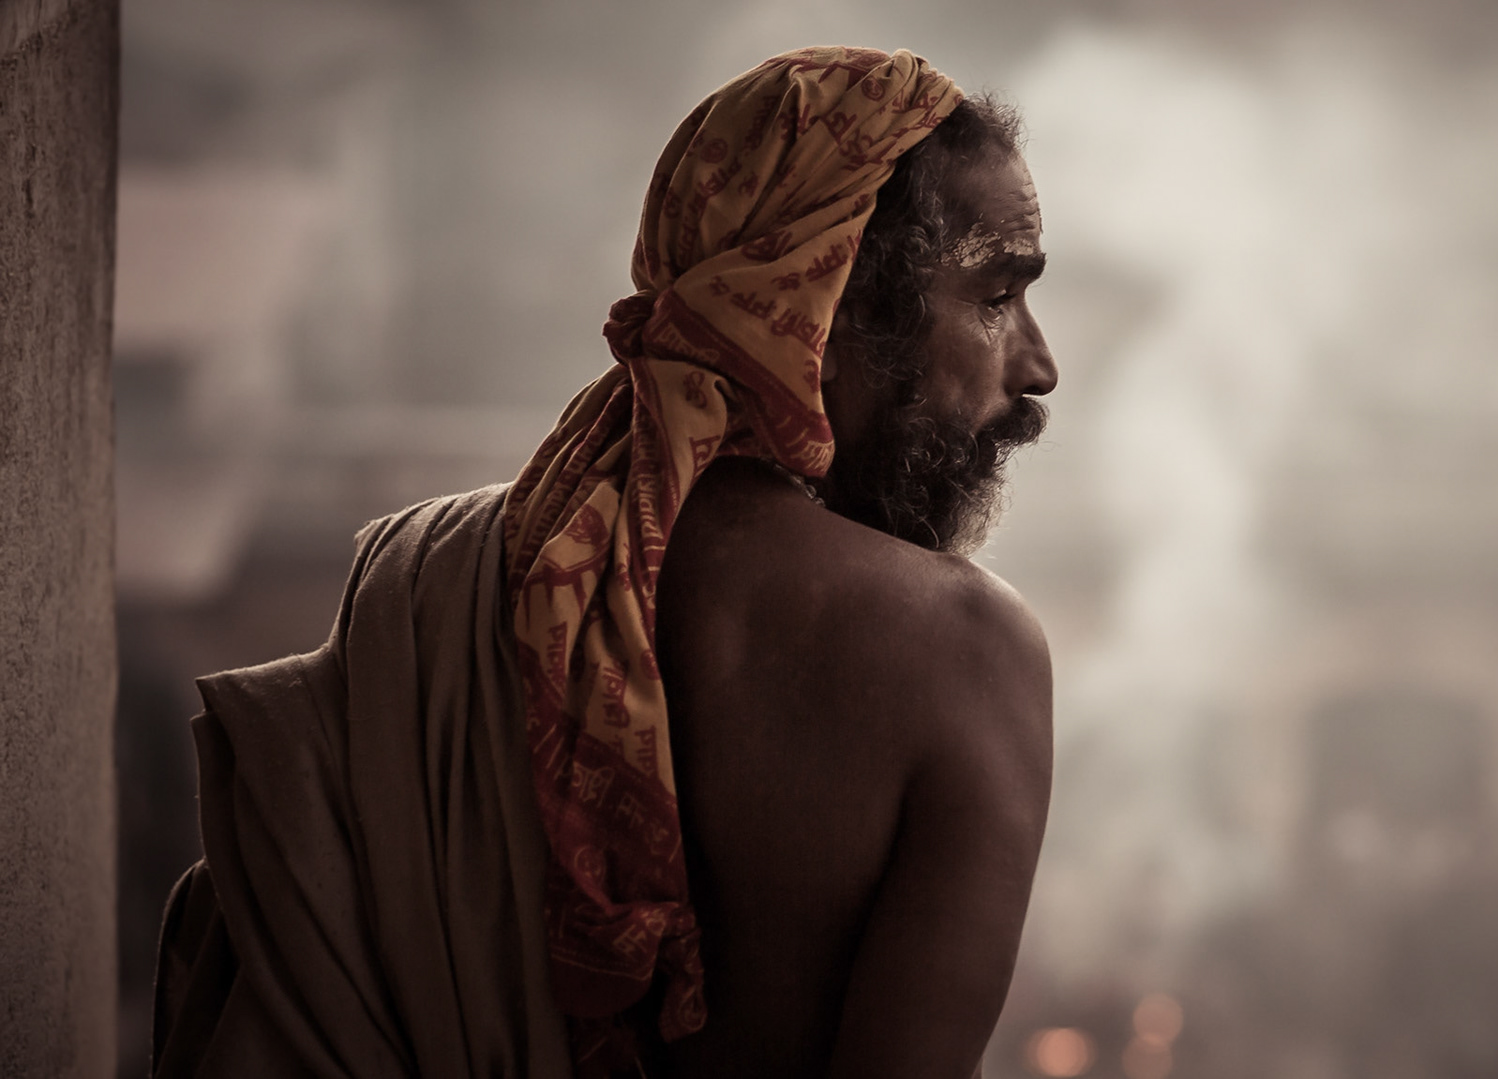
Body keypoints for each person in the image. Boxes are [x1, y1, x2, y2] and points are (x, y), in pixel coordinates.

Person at [149, 45, 1056, 1079]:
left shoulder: (449, 576)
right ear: (825, 303)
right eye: (996, 295)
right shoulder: (970, 655)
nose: (1038, 365)